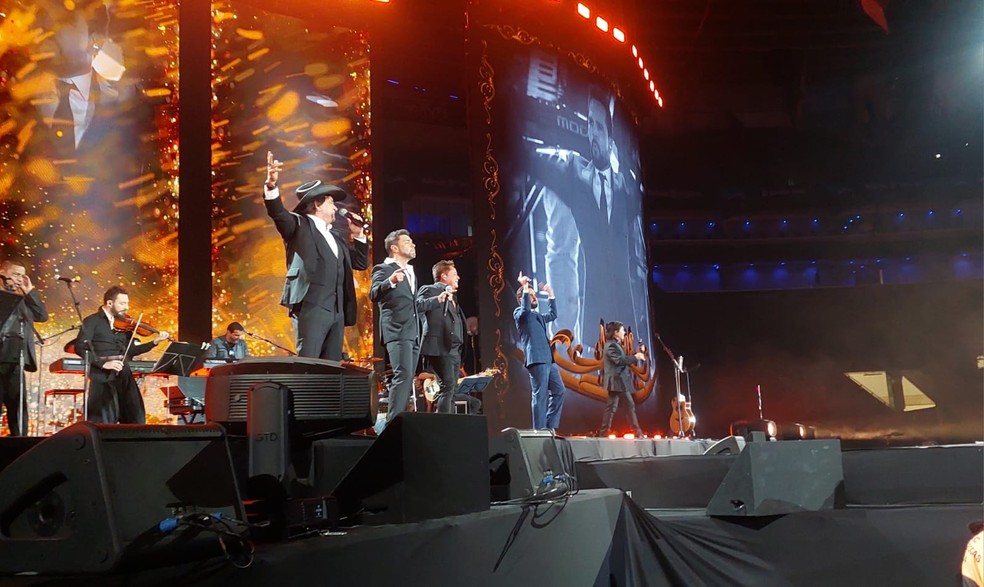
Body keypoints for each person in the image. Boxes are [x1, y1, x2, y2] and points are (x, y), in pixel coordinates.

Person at [530, 86, 650, 352]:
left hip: (593, 169)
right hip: (562, 155)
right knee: (562, 248)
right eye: (591, 125)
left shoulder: (619, 182)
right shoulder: (574, 163)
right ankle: (565, 344)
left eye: (598, 127)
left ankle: (574, 345)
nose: (591, 133)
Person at [263, 151, 369, 360]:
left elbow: (360, 262)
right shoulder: (299, 225)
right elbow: (278, 213)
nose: (335, 207)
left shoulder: (337, 237)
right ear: (317, 204)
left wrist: (359, 235)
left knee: (331, 366)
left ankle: (326, 394)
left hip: (336, 311)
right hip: (312, 306)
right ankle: (305, 393)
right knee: (309, 362)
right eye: (330, 202)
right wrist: (271, 186)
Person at [75, 285, 169, 424]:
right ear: (109, 303)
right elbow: (80, 347)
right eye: (122, 303)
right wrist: (103, 363)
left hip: (123, 372)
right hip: (102, 375)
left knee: (135, 415)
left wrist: (154, 342)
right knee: (104, 419)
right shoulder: (93, 321)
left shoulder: (124, 324)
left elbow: (130, 351)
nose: (126, 307)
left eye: (127, 303)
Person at [370, 229, 421, 425]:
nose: (413, 244)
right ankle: (393, 424)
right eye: (407, 241)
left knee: (408, 378)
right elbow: (373, 294)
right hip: (397, 329)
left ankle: (402, 421)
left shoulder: (411, 272)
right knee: (403, 375)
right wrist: (390, 281)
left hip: (413, 331)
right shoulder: (383, 269)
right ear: (394, 248)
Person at [0, 261, 49, 436]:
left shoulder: (23, 300)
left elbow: (42, 316)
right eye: (16, 274)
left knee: (18, 410)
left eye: (22, 275)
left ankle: (18, 446)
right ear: (3, 274)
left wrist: (30, 292)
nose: (20, 279)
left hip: (16, 361)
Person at [513, 271, 565, 431]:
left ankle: (550, 426)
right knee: (540, 395)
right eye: (531, 295)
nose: (535, 298)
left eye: (534, 295)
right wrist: (525, 286)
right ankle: (539, 430)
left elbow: (553, 314)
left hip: (548, 359)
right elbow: (525, 309)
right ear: (523, 299)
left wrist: (551, 294)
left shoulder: (538, 316)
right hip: (536, 359)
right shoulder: (520, 314)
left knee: (559, 390)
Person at [417, 260, 466, 413]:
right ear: (444, 276)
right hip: (441, 347)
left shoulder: (453, 297)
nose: (458, 277)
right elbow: (417, 305)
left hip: (454, 349)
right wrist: (438, 299)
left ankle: (449, 423)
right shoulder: (430, 290)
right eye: (455, 274)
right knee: (447, 385)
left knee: (452, 388)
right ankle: (445, 423)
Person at [597, 321, 646, 437]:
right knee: (629, 405)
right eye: (622, 330)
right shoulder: (611, 345)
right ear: (616, 332)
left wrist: (638, 353)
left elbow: (623, 358)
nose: (624, 332)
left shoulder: (616, 344)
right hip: (617, 380)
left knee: (612, 407)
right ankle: (638, 433)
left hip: (618, 380)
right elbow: (619, 361)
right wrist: (636, 357)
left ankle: (603, 434)